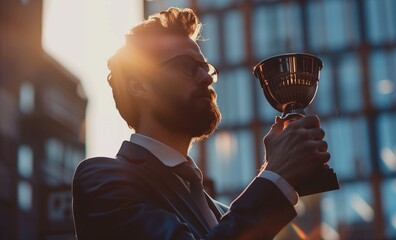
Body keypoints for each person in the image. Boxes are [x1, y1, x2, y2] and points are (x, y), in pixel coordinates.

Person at [72, 7, 330, 240]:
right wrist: (276, 176)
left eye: (206, 68)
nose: (207, 78)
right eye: (187, 66)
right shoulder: (102, 181)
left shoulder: (221, 212)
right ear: (138, 85)